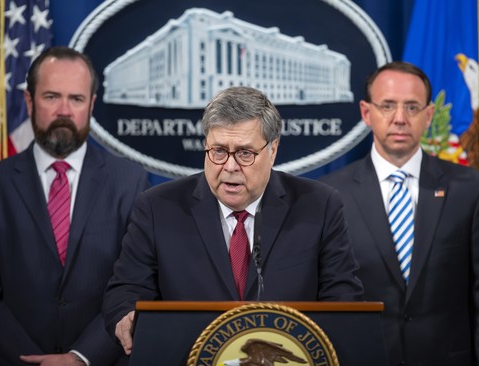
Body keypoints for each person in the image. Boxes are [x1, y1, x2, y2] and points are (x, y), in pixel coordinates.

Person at [103, 86, 364, 355]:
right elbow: (126, 289)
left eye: (244, 153)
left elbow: (342, 298)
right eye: (218, 151)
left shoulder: (318, 206)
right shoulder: (158, 208)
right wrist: (127, 315)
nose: (229, 167)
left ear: (273, 150)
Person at [320, 61, 479, 366]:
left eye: (412, 107)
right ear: (366, 112)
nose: (400, 118)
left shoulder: (471, 190)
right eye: (387, 106)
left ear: (428, 116)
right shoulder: (329, 196)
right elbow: (321, 303)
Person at [0, 46, 149, 365]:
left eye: (76, 99)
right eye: (51, 96)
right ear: (29, 101)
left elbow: (136, 285)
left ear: (91, 105)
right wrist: (32, 361)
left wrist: (81, 357)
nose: (64, 110)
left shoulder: (129, 182)